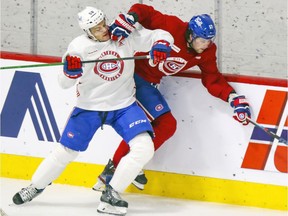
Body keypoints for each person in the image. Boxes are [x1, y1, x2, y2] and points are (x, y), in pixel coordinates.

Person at [12, 6, 174, 215]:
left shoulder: (123, 35)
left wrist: (161, 45)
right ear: (87, 32)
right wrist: (70, 72)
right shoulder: (78, 46)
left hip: (124, 106)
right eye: (97, 29)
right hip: (89, 108)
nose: (104, 30)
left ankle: (111, 195)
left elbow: (163, 35)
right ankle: (35, 186)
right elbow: (63, 83)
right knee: (65, 152)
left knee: (144, 147)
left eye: (103, 24)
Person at [93, 3, 251, 191]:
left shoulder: (207, 51)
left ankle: (116, 169)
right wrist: (131, 18)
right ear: (191, 34)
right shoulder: (173, 26)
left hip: (149, 84)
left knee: (145, 128)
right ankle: (122, 167)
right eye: (202, 40)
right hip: (132, 76)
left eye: (209, 41)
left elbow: (212, 78)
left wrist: (232, 98)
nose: (206, 45)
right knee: (167, 124)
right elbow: (145, 11)